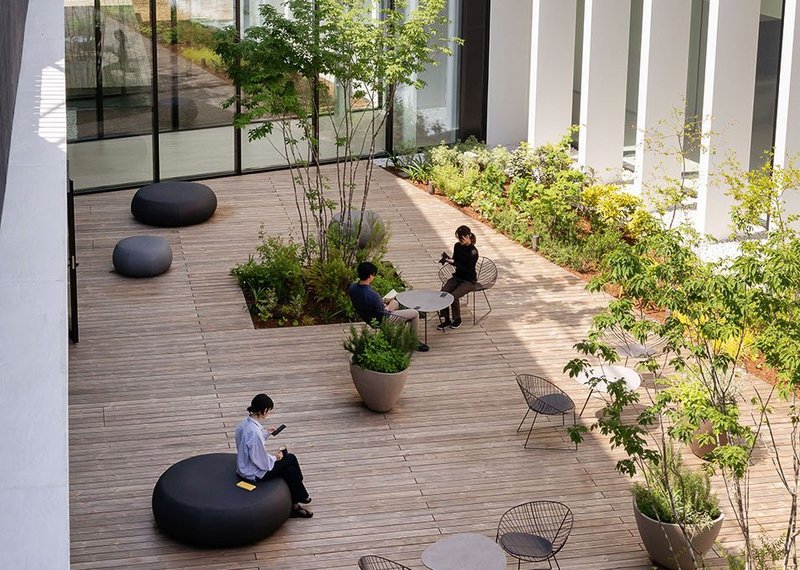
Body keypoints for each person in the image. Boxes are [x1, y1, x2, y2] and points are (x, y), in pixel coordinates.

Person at [234, 393, 313, 518]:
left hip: (244, 466)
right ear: (264, 410)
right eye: (269, 411)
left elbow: (248, 444)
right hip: (254, 473)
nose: (268, 414)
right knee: (290, 458)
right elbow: (260, 460)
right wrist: (276, 457)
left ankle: (296, 505)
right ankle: (301, 492)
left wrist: (265, 433)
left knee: (290, 470)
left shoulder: (243, 424)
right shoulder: (254, 433)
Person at [347, 261, 428, 352]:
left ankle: (398, 330)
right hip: (381, 320)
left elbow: (371, 304)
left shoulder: (352, 287)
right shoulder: (373, 295)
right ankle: (413, 341)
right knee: (415, 313)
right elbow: (383, 314)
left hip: (367, 316)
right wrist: (386, 307)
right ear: (370, 276)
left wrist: (384, 303)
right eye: (374, 275)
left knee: (395, 303)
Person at [437, 225, 479, 329]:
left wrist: (455, 262)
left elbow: (468, 269)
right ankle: (446, 319)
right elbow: (456, 261)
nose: (459, 240)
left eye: (462, 238)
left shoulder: (473, 252)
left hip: (469, 280)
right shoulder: (457, 246)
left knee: (453, 296)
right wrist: (448, 260)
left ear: (467, 236)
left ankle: (457, 319)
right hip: (457, 277)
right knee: (443, 292)